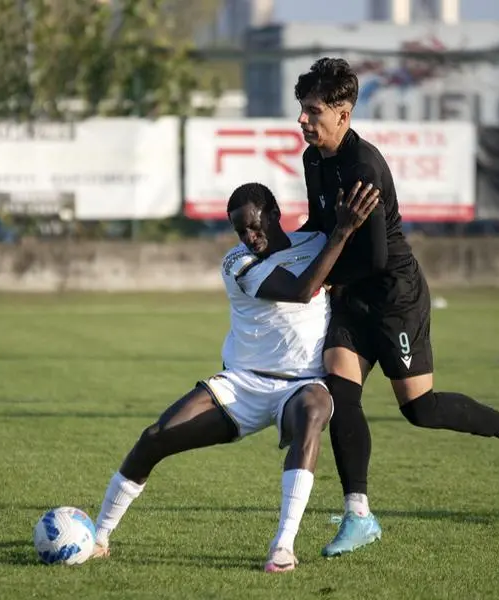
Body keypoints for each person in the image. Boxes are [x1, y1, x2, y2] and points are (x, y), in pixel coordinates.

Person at [294, 58, 499, 557]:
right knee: (339, 396)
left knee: (421, 409)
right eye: (302, 111)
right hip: (352, 296)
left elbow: (371, 257)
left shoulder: (364, 166)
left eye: (312, 111)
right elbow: (317, 223)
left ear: (343, 115)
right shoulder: (314, 159)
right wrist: (280, 256)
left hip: (394, 297)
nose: (303, 121)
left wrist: (319, 281)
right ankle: (359, 515)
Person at [89, 181, 380, 572]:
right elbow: (302, 290)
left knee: (313, 413)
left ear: (275, 214)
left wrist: (345, 238)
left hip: (301, 384)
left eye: (255, 226)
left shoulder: (314, 241)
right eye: (240, 230)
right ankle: (99, 537)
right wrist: (341, 234)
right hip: (242, 384)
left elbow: (351, 266)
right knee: (155, 437)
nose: (249, 237)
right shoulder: (237, 263)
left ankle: (283, 546)